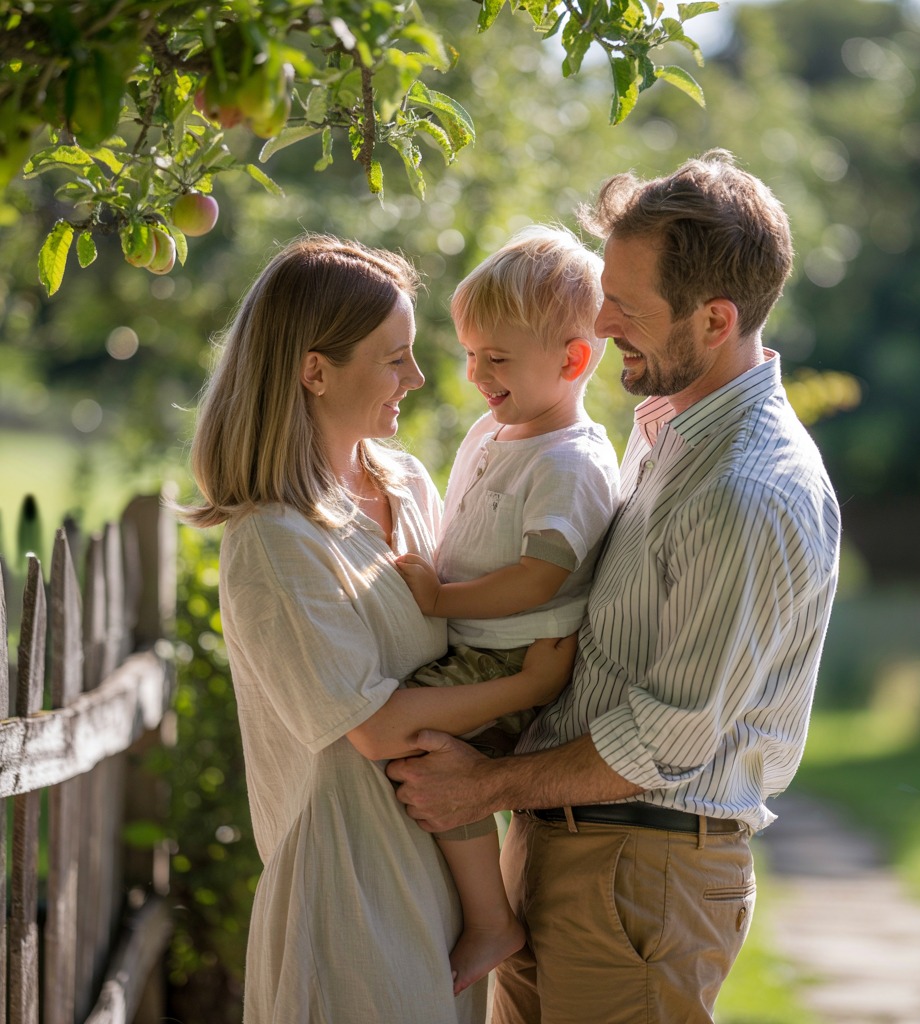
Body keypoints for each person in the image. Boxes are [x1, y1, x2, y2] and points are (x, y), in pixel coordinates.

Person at [386, 150, 843, 1024]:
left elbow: (670, 735)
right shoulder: (669, 431)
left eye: (627, 307)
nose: (599, 323)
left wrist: (485, 788)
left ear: (715, 320)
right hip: (569, 845)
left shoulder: (746, 488)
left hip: (641, 873)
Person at [182, 234, 576, 1024]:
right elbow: (375, 726)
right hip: (351, 892)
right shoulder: (272, 538)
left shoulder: (406, 483)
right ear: (315, 371)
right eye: (394, 359)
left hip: (445, 871)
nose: (419, 378)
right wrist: (532, 684)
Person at [393, 226, 621, 996]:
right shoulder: (500, 427)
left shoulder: (570, 462)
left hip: (513, 655)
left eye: (496, 358)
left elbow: (535, 581)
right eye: (469, 353)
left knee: (421, 749)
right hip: (475, 637)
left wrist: (438, 598)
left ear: (572, 361)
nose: (474, 374)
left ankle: (491, 920)